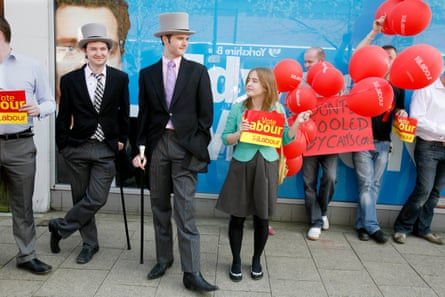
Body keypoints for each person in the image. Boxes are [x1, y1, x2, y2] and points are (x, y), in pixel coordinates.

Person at [131, 12, 217, 292]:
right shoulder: (147, 74)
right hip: (156, 147)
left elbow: (206, 117)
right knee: (159, 207)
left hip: (185, 147)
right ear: (165, 39)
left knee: (185, 210)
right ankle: (164, 259)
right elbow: (144, 116)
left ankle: (191, 271)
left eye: (186, 38)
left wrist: (196, 144)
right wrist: (140, 149)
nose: (185, 43)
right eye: (180, 38)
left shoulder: (197, 72)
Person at [216, 67, 312, 282]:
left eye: (255, 81)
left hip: (267, 165)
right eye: (248, 80)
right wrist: (240, 132)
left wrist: (297, 123)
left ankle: (257, 259)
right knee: (237, 216)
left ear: (266, 86)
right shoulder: (238, 109)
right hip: (242, 164)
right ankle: (236, 261)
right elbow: (225, 139)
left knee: (262, 217)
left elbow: (286, 140)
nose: (249, 84)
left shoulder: (277, 109)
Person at [48, 23, 130, 264]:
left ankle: (60, 227)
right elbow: (63, 116)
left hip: (106, 147)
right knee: (80, 196)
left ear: (109, 51)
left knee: (96, 198)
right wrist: (63, 145)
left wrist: (122, 141)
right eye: (93, 48)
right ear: (86, 50)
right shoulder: (70, 80)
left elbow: (123, 113)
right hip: (78, 146)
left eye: (103, 49)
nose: (98, 53)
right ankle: (89, 244)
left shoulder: (119, 79)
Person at [0, 16, 56, 274]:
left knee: (22, 205)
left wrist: (38, 108)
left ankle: (27, 255)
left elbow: (50, 102)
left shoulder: (31, 66)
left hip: (19, 144)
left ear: (6, 38)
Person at [353, 16, 408, 243]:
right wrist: (374, 33)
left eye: (391, 57)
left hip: (384, 143)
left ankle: (362, 225)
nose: (387, 60)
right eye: (384, 57)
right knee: (367, 184)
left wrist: (402, 114)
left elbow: (399, 111)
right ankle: (373, 227)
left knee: (374, 185)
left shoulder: (399, 86)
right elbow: (358, 55)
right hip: (362, 140)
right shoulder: (368, 78)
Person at [393, 73, 445, 245]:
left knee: (436, 191)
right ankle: (402, 227)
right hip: (428, 146)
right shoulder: (426, 89)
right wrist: (441, 131)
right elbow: (416, 119)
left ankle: (423, 229)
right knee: (424, 189)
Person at [301, 47, 337, 240]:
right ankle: (315, 221)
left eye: (310, 62)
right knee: (309, 182)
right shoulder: (302, 84)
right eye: (305, 62)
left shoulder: (335, 82)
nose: (306, 66)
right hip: (308, 140)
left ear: (322, 61)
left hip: (331, 141)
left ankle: (323, 211)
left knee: (331, 177)